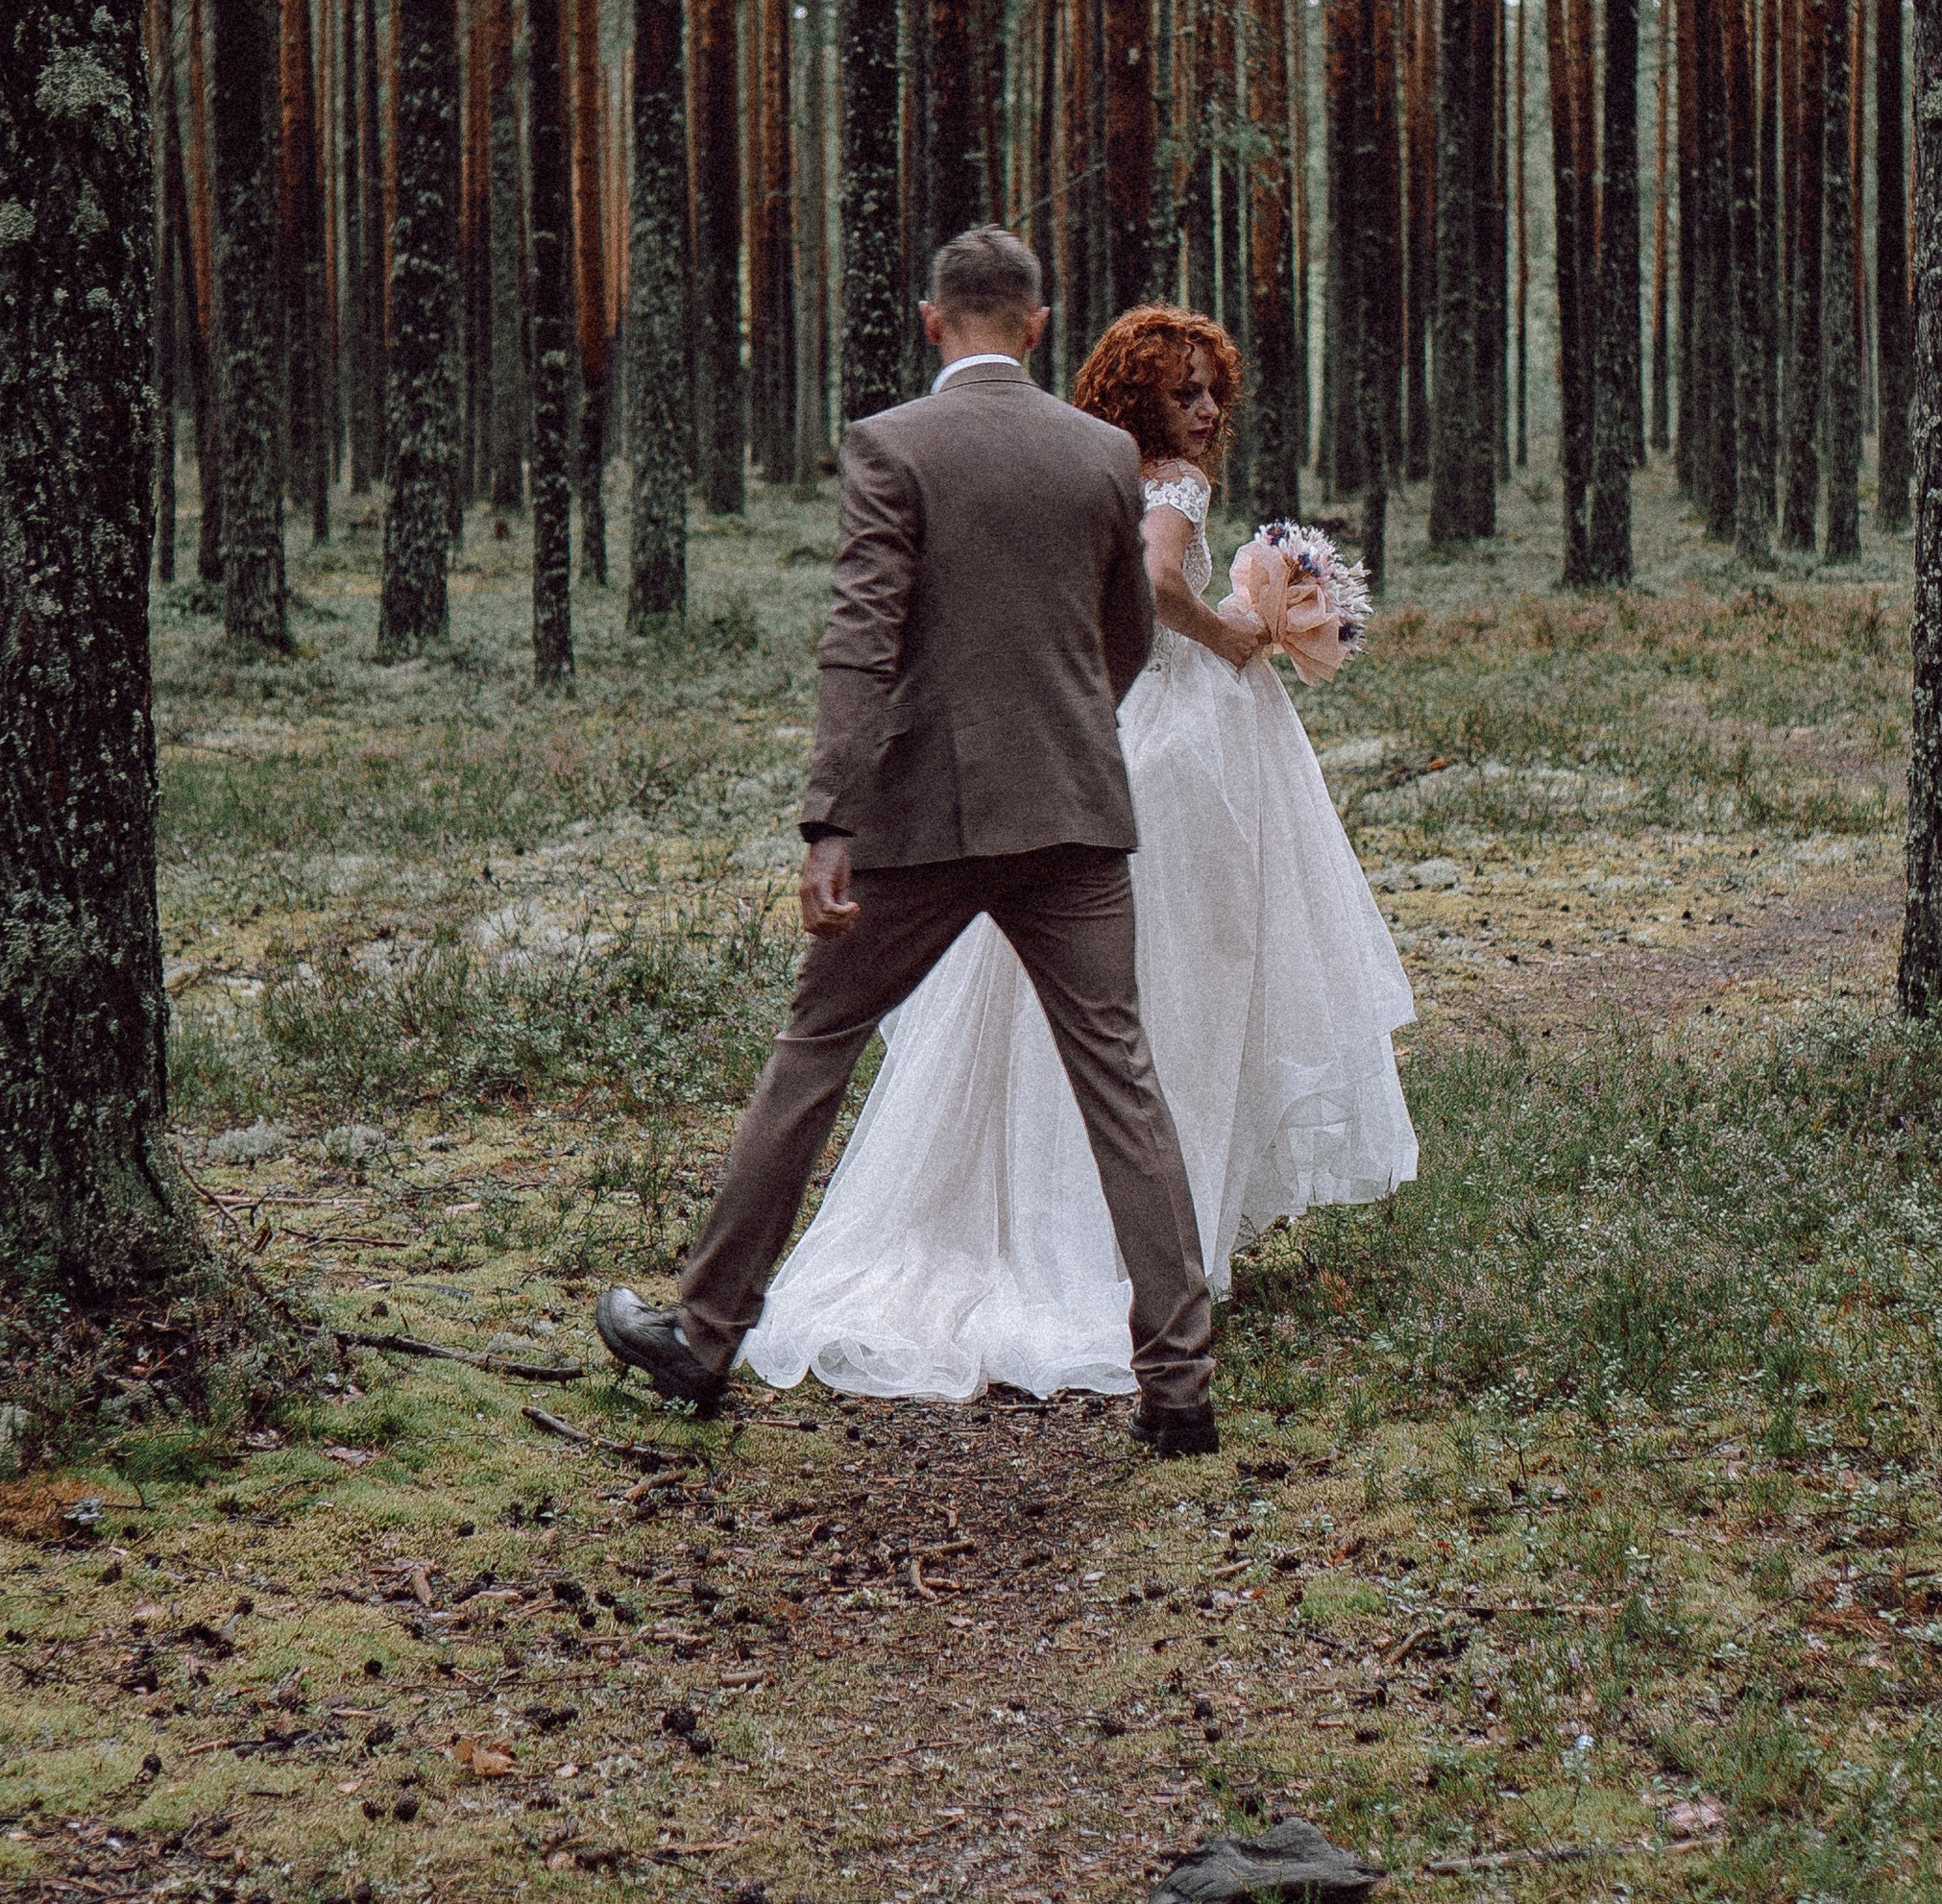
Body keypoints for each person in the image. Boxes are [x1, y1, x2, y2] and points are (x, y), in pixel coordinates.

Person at [595, 228, 1219, 1456]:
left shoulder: (892, 446)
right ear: (1036, 328)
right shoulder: (1101, 455)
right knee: (1122, 1087)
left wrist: (831, 817)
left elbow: (859, 641)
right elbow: (1128, 632)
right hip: (1073, 815)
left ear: (934, 321)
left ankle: (704, 1334)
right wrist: (1072, 729)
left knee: (815, 1051)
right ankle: (1180, 1387)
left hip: (917, 822)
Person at [736, 302, 1418, 1406]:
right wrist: (1234, 630)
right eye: (1180, 391)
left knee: (1115, 1002)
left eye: (1211, 391)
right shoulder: (1168, 488)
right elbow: (1152, 589)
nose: (1203, 411)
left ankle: (1080, 1238)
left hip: (1113, 739)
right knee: (1170, 996)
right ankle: (1134, 1275)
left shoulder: (1094, 471)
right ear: (1138, 395)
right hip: (1176, 748)